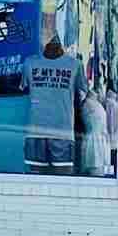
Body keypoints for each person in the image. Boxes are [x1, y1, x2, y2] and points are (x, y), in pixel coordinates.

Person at [23, 25, 80, 175]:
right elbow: (24, 88)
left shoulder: (75, 65)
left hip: (62, 131)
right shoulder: (30, 63)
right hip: (36, 130)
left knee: (63, 176)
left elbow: (82, 93)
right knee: (35, 177)